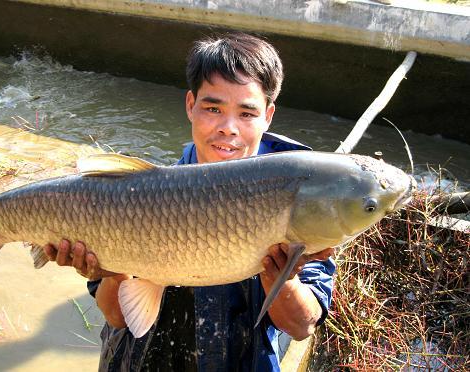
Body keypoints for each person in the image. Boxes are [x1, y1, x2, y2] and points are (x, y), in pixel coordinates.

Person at [44, 32, 335, 371]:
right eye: (213, 108)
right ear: (190, 106)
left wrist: (281, 277)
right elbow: (118, 316)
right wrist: (115, 272)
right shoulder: (136, 198)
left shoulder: (303, 200)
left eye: (246, 113)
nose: (228, 128)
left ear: (268, 116)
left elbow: (301, 326)